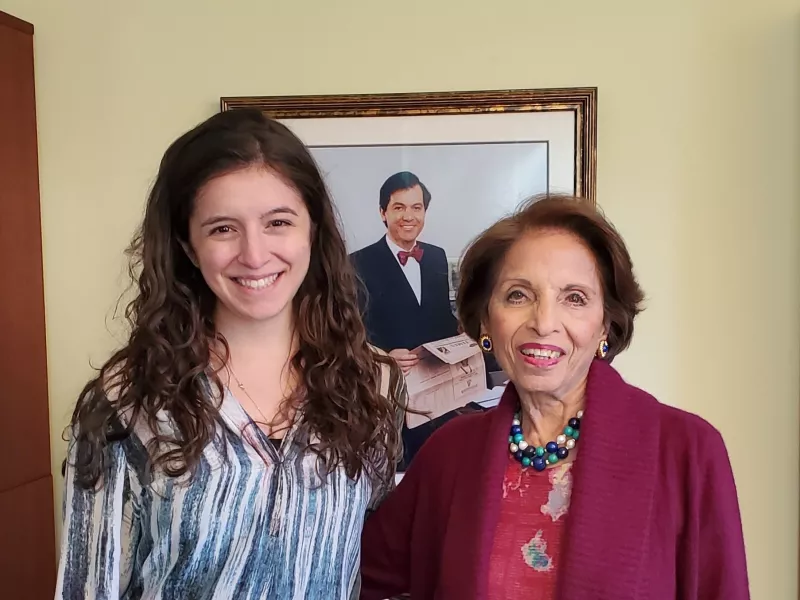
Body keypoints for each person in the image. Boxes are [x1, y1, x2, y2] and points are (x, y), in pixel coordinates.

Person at [54, 108, 405, 599]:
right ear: (188, 246)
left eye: (278, 222)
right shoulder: (126, 401)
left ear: (313, 230)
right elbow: (87, 589)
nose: (255, 254)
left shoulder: (374, 382)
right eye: (223, 228)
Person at [359, 194, 750, 599]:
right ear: (485, 319)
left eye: (574, 298)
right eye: (518, 295)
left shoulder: (687, 450)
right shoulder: (450, 455)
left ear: (605, 325)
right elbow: (348, 574)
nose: (544, 323)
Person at [349, 171, 459, 373]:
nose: (408, 216)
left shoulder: (436, 256)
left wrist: (467, 334)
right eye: (399, 207)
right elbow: (349, 331)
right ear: (383, 212)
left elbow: (442, 318)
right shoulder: (356, 263)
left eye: (416, 208)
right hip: (386, 381)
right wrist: (381, 357)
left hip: (437, 376)